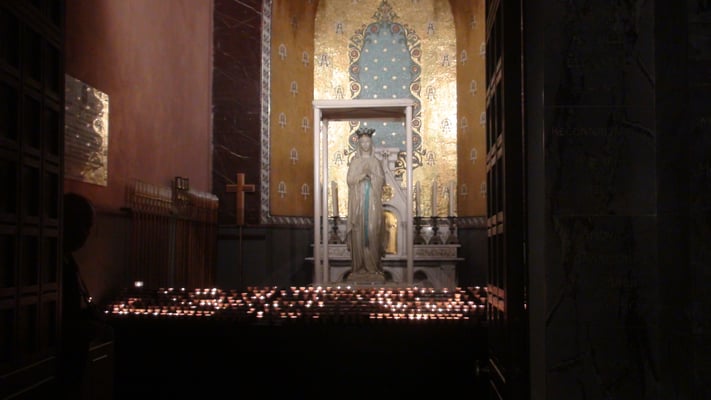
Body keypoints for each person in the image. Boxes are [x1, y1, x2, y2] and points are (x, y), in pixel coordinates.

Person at [59, 192, 112, 398]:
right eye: (85, 225)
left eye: (90, 227)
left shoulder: (68, 259)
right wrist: (84, 327)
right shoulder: (52, 261)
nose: (87, 234)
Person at [345, 128, 386, 282]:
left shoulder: (375, 162)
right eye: (362, 142)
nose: (365, 145)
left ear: (371, 143)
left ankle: (373, 267)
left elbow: (381, 180)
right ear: (359, 144)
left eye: (367, 142)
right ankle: (358, 268)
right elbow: (349, 180)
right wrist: (361, 176)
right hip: (358, 203)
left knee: (372, 230)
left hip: (372, 202)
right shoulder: (355, 162)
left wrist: (372, 176)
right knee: (358, 233)